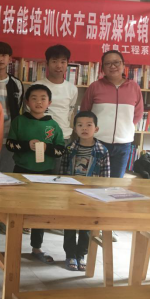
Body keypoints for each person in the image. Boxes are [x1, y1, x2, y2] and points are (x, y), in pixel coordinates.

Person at [6, 84, 66, 265]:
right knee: (17, 210)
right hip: (21, 172)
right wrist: (26, 145)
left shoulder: (53, 125)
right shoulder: (19, 121)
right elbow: (10, 144)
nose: (38, 102)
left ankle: (36, 247)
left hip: (45, 174)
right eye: (34, 98)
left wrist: (47, 148)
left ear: (49, 102)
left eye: (43, 98)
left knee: (40, 211)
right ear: (26, 102)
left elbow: (61, 150)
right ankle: (13, 245)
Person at [60, 111, 110, 272]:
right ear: (75, 129)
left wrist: (102, 195)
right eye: (80, 125)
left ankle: (81, 254)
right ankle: (70, 254)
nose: (84, 128)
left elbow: (106, 177)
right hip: (71, 193)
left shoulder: (102, 150)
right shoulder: (70, 148)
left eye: (89, 125)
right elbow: (63, 171)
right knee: (69, 224)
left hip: (92, 194)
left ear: (96, 128)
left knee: (86, 226)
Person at [81, 51, 143, 179]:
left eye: (116, 62)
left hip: (123, 144)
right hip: (97, 142)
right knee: (92, 180)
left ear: (123, 64)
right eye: (108, 63)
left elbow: (138, 114)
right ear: (102, 68)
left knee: (115, 182)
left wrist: (123, 129)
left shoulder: (134, 87)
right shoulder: (95, 87)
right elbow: (84, 113)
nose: (112, 66)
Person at [0, 42, 24, 173]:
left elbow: (17, 108)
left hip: (8, 137)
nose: (0, 59)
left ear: (10, 59)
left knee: (5, 174)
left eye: (4, 55)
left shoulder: (16, 83)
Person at [34, 45, 78, 150]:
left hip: (63, 137)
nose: (59, 66)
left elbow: (69, 112)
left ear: (67, 64)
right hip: (39, 137)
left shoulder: (72, 89)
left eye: (63, 62)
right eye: (54, 61)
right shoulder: (36, 87)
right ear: (47, 63)